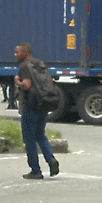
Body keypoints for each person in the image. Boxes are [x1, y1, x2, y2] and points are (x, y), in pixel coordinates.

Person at [14, 42, 59, 179]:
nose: (16, 55)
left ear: (26, 52)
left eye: (18, 52)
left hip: (31, 105)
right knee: (40, 134)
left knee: (29, 138)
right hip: (43, 103)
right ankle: (51, 159)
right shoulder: (40, 64)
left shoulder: (24, 66)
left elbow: (27, 85)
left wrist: (17, 82)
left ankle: (35, 170)